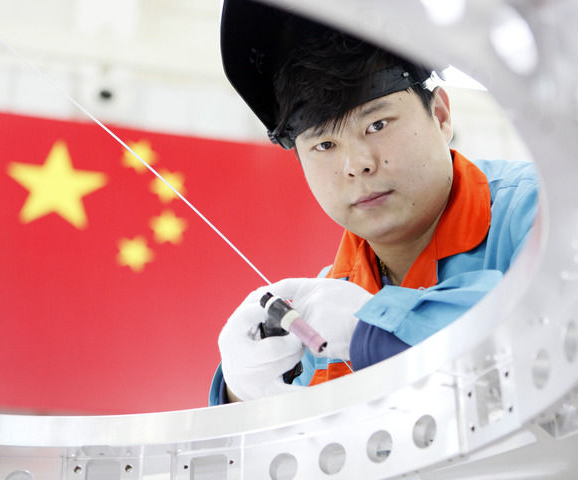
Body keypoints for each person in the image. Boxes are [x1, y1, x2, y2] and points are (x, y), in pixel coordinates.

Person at [210, 0, 538, 404]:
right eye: (324, 144)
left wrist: (376, 329)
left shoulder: (544, 213)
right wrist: (240, 393)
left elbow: (554, 323)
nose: (357, 164)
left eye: (377, 124)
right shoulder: (325, 313)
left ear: (440, 116)